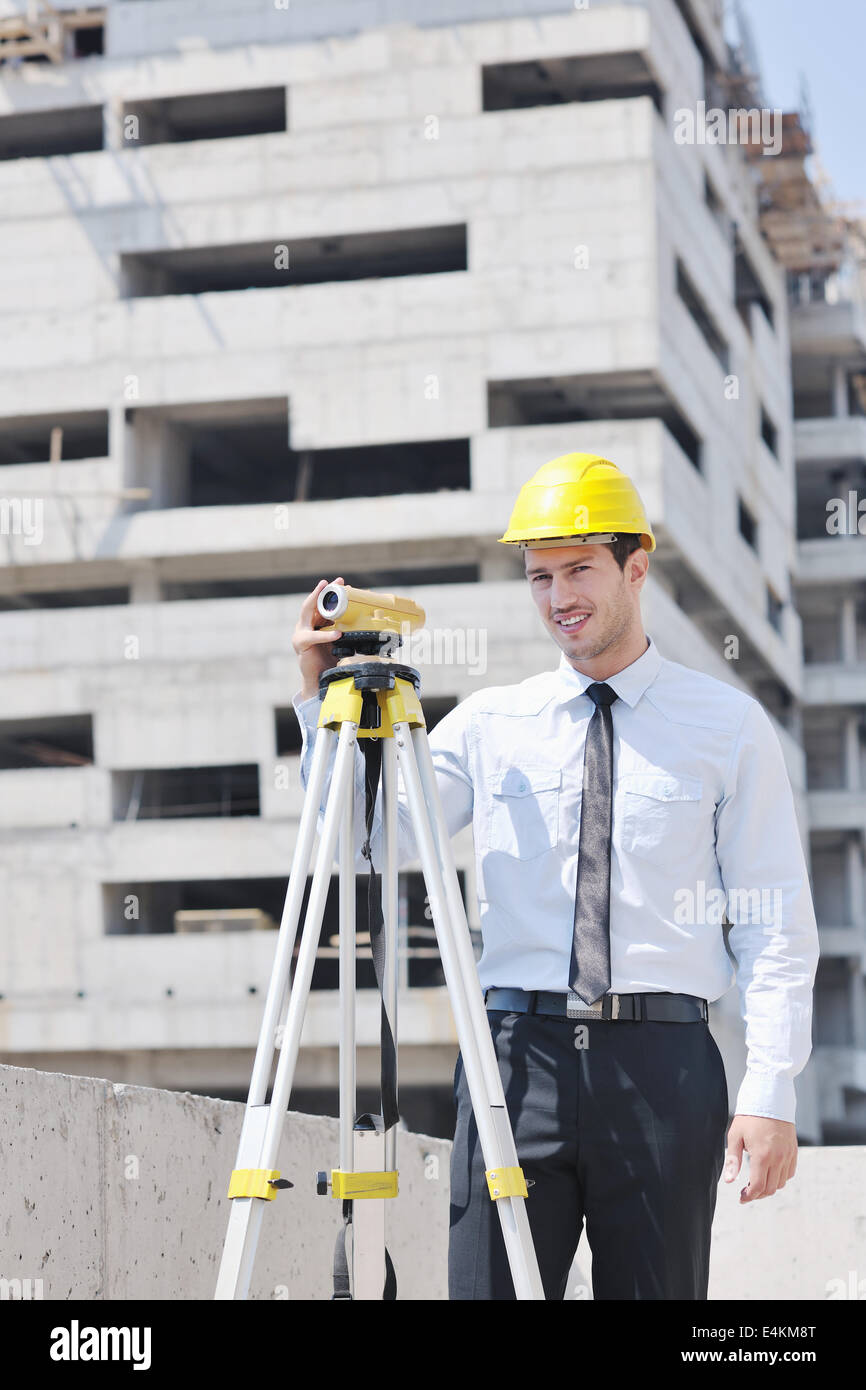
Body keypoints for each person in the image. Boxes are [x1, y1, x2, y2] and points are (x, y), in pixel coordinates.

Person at [290, 452, 819, 1301]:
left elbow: (775, 922)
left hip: (663, 1063)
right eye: (540, 576)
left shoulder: (728, 727)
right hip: (514, 1057)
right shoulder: (492, 724)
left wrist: (770, 1086)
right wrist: (321, 705)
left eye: (580, 570)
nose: (559, 597)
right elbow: (364, 841)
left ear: (636, 567)